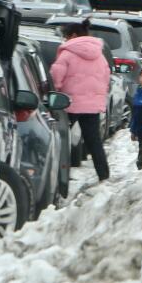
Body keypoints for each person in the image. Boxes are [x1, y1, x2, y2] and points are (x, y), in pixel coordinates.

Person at [49, 20, 111, 181]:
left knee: (61, 138)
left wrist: (57, 89)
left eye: (65, 37)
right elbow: (106, 77)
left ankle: (60, 174)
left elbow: (57, 74)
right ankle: (103, 175)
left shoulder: (67, 53)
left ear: (74, 36)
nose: (65, 40)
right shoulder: (100, 55)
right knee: (94, 141)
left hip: (69, 103)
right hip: (92, 105)